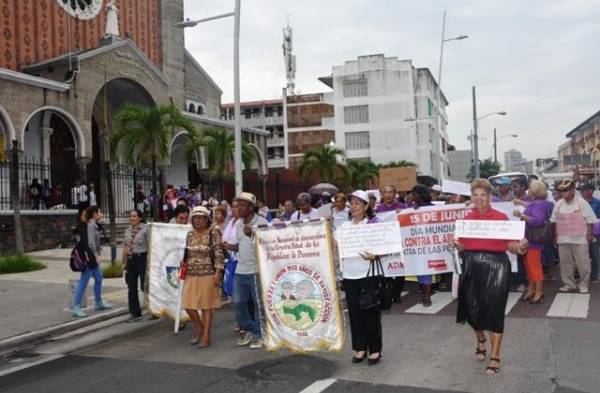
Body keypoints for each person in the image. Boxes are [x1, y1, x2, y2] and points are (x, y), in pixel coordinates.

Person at [455, 179, 528, 375]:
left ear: (489, 197)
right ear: (471, 197)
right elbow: (461, 244)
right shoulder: (465, 220)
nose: (479, 199)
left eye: (483, 195)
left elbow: (510, 245)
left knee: (495, 311)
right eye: (475, 195)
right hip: (471, 265)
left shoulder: (500, 217)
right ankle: (480, 338)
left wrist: (520, 247)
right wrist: (455, 245)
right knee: (471, 310)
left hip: (496, 267)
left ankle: (495, 355)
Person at [338, 190, 383, 366]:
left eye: (358, 203)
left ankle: (375, 349)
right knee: (355, 314)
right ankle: (360, 348)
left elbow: (385, 247)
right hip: (349, 276)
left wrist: (375, 255)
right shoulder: (344, 227)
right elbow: (336, 245)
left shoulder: (374, 224)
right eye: (352, 203)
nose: (354, 207)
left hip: (368, 275)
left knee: (371, 314)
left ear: (366, 206)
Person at [223, 192, 267, 349]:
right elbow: (241, 246)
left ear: (251, 207)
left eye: (242, 205)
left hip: (256, 270)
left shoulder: (261, 222)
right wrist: (229, 246)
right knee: (238, 303)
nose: (238, 209)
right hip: (240, 270)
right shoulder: (239, 224)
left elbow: (267, 244)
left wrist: (254, 234)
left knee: (257, 305)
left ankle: (259, 335)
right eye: (237, 205)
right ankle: (251, 329)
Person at [181, 206, 224, 348]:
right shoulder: (189, 235)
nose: (197, 220)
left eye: (201, 218)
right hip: (191, 274)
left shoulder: (213, 233)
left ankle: (206, 335)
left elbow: (218, 254)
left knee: (206, 307)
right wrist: (183, 263)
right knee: (188, 305)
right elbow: (187, 253)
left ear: (206, 220)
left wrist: (218, 273)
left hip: (208, 274)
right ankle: (198, 326)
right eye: (195, 218)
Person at [550, 180, 598, 293]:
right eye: (561, 191)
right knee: (565, 262)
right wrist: (555, 237)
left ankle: (583, 284)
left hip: (580, 238)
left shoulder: (582, 203)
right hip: (563, 238)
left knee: (583, 263)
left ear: (572, 191)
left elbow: (589, 220)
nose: (562, 193)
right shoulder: (558, 204)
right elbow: (554, 222)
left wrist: (589, 234)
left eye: (565, 191)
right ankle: (569, 284)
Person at [514, 180, 554, 304]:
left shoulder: (538, 204)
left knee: (534, 266)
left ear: (535, 190)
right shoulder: (541, 203)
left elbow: (538, 220)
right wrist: (522, 203)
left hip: (533, 240)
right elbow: (532, 208)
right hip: (530, 240)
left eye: (530, 188)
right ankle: (532, 289)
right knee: (529, 266)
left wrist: (522, 215)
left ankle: (539, 291)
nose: (528, 190)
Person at [72, 206, 111, 317]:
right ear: (94, 214)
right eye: (99, 212)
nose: (101, 214)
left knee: (98, 278)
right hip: (89, 257)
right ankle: (76, 307)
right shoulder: (91, 225)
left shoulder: (93, 225)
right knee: (84, 281)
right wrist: (96, 255)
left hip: (91, 256)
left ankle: (98, 302)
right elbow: (91, 243)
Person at [375, 185, 406, 302]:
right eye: (385, 193)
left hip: (399, 242)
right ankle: (388, 291)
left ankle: (397, 294)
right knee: (385, 269)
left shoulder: (402, 207)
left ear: (395, 194)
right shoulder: (377, 210)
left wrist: (403, 213)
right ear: (382, 194)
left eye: (390, 192)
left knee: (399, 269)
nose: (388, 195)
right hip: (384, 244)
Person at [410, 185, 435, 307]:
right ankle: (424, 290)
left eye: (414, 194)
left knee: (426, 271)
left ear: (421, 195)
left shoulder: (433, 209)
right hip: (416, 245)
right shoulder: (411, 209)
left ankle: (426, 297)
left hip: (429, 245)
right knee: (420, 271)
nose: (412, 197)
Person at [122, 209, 149, 323]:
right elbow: (125, 246)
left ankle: (153, 308)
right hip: (131, 260)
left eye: (134, 216)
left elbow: (150, 245)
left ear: (140, 218)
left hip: (142, 258)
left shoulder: (146, 229)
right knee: (131, 287)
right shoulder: (127, 231)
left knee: (145, 286)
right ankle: (135, 313)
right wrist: (123, 262)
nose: (131, 218)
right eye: (130, 216)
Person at [580, 183, 600, 283]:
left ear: (591, 191)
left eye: (584, 190)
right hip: (580, 231)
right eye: (581, 190)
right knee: (582, 255)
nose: (582, 192)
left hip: (595, 232)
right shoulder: (579, 203)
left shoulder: (597, 203)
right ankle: (582, 275)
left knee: (595, 254)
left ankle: (595, 275)